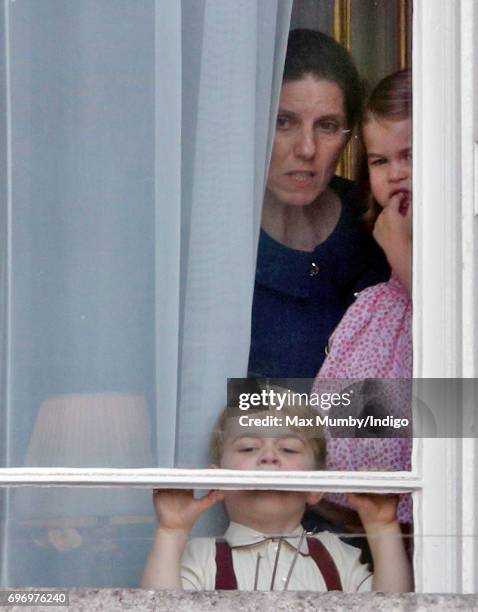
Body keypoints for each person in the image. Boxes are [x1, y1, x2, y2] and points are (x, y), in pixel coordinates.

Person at [141, 398, 412, 591]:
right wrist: (172, 531)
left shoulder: (337, 555)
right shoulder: (201, 557)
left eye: (289, 449)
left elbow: (393, 607)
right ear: (217, 480)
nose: (269, 457)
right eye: (248, 448)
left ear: (316, 487)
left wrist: (382, 527)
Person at [248, 29, 389, 379]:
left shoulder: (377, 223)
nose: (307, 149)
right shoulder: (217, 236)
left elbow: (430, 407)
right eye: (284, 122)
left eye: (327, 126)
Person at [311, 70, 413, 526]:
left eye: (412, 154)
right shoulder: (374, 309)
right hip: (377, 529)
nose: (396, 174)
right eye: (379, 161)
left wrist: (401, 253)